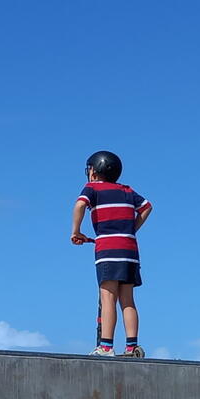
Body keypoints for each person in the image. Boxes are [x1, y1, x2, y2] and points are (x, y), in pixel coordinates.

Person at [70, 151, 153, 357]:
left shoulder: (93, 188)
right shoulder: (127, 190)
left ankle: (106, 347)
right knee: (128, 299)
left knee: (108, 297)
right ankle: (132, 346)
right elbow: (146, 207)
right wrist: (131, 229)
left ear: (94, 171)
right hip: (130, 249)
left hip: (108, 248)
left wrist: (76, 231)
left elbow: (80, 204)